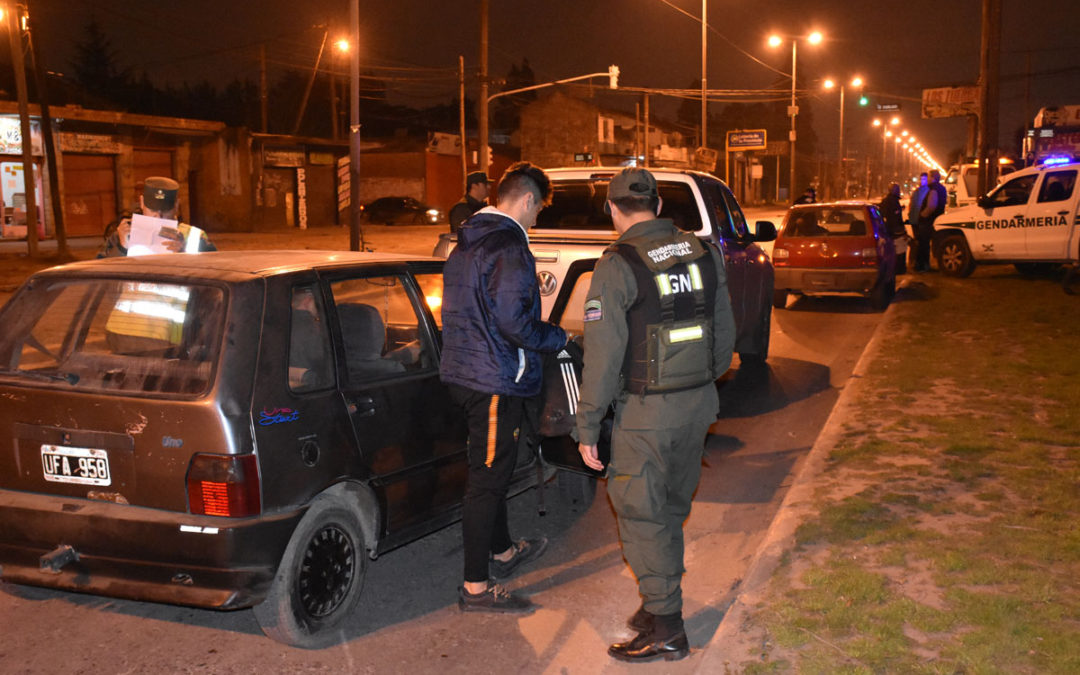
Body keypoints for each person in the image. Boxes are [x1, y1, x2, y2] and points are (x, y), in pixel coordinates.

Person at [575, 167, 735, 663]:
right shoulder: (702, 251)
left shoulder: (618, 264)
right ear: (660, 207)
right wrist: (706, 382)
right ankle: (657, 600)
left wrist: (586, 426)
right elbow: (724, 329)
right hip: (697, 405)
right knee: (667, 508)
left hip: (646, 415)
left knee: (643, 516)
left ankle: (667, 626)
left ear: (612, 210)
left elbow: (602, 356)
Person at [439, 161, 568, 613]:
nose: (537, 220)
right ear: (528, 200)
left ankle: (503, 551)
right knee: (488, 480)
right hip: (493, 379)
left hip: (465, 372)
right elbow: (515, 323)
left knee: (489, 468)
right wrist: (559, 336)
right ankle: (476, 588)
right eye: (539, 210)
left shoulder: (468, 240)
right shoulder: (510, 246)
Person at [98, 177, 215, 258]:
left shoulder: (195, 237)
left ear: (176, 206)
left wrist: (183, 253)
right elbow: (99, 276)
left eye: (165, 210)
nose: (158, 216)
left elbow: (214, 275)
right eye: (153, 209)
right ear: (142, 202)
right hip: (134, 295)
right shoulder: (121, 235)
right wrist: (121, 248)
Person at [915, 170, 948, 272]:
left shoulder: (932, 189)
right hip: (938, 219)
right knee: (934, 243)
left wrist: (922, 215)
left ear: (933, 178)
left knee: (923, 244)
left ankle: (923, 266)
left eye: (928, 177)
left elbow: (931, 206)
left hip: (928, 221)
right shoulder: (942, 188)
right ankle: (931, 265)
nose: (927, 179)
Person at [907, 172, 930, 272]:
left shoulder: (928, 191)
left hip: (922, 220)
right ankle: (916, 264)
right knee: (917, 242)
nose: (922, 181)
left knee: (923, 243)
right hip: (915, 220)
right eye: (921, 179)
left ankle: (922, 264)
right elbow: (912, 204)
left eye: (924, 179)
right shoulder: (917, 191)